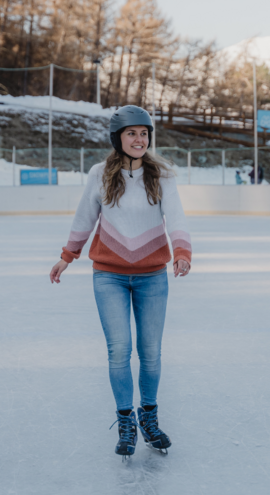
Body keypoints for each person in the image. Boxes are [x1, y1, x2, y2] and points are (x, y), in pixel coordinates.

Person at [49, 105, 192, 460]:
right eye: (132, 133)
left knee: (151, 353)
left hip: (152, 277)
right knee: (119, 351)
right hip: (109, 275)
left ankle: (150, 418)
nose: (139, 139)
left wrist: (182, 250)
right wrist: (68, 256)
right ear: (118, 138)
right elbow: (85, 216)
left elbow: (175, 215)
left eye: (144, 133)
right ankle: (126, 421)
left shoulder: (161, 175)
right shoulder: (100, 173)